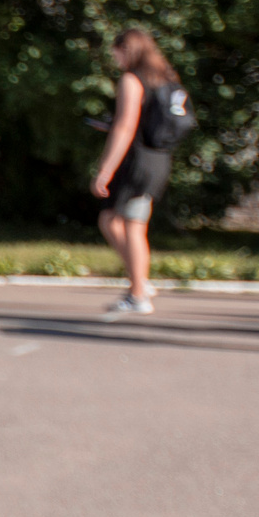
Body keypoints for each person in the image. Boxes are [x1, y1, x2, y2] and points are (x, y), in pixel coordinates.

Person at [93, 28, 184, 318]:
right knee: (116, 221)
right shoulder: (166, 78)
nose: (115, 59)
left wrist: (105, 169)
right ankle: (139, 280)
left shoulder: (132, 80)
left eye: (116, 53)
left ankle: (138, 294)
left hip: (137, 162)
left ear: (127, 50)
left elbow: (125, 126)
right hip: (158, 160)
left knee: (126, 224)